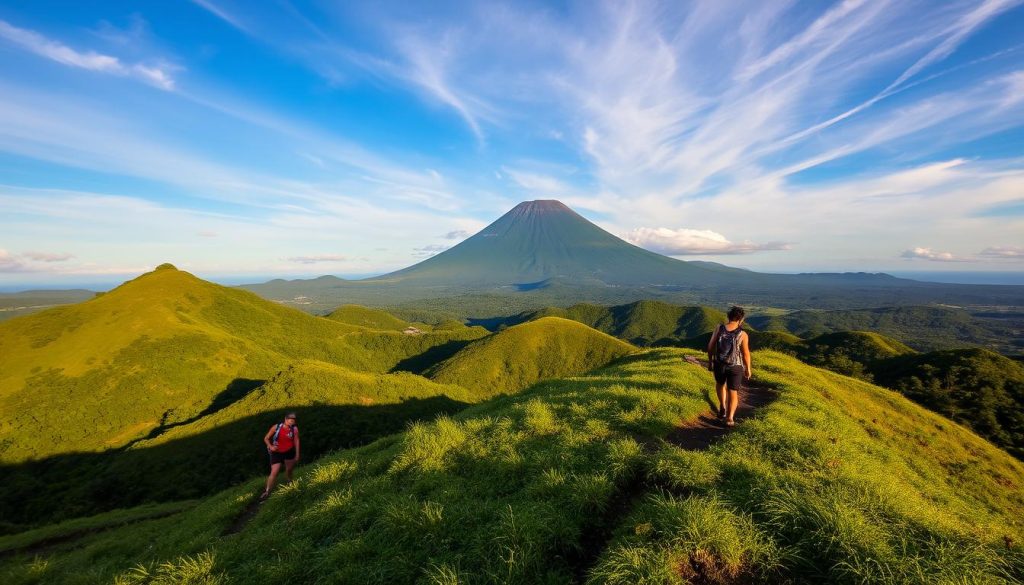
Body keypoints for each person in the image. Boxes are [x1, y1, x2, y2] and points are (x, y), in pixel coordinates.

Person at [707, 306, 752, 427]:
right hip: (735, 366)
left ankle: (722, 406)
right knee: (733, 391)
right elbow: (745, 353)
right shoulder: (743, 334)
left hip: (719, 363)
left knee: (720, 385)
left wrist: (710, 361)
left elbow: (711, 346)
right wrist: (748, 368)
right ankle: (730, 418)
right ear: (741, 319)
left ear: (729, 316)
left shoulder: (719, 328)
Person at [262, 412, 300, 499]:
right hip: (277, 452)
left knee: (289, 470)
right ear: (285, 419)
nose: (292, 422)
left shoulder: (294, 429)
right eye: (291, 420)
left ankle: (290, 484)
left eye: (294, 421)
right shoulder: (277, 427)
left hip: (289, 451)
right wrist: (271, 446)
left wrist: (297, 454)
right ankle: (267, 491)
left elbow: (296, 441)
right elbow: (266, 438)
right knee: (274, 472)